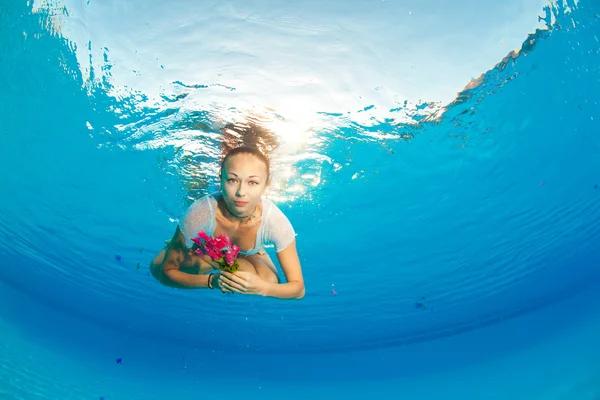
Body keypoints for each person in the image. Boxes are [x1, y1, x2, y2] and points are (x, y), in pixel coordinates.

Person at [151, 146, 305, 299]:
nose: (240, 192)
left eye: (252, 182)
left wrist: (261, 288)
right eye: (232, 180)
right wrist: (212, 281)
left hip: (245, 254)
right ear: (221, 179)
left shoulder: (275, 222)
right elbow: (165, 274)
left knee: (269, 281)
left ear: (266, 185)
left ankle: (204, 248)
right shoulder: (200, 213)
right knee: (156, 267)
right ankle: (200, 246)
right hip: (220, 243)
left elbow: (298, 290)